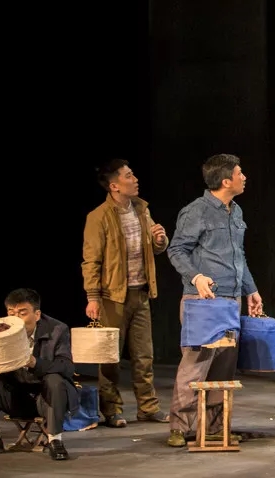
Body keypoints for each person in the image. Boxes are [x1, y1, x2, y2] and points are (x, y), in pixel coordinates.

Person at [164, 154, 263, 447]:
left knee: (224, 367)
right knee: (195, 363)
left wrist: (251, 290)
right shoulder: (196, 211)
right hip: (203, 300)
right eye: (240, 173)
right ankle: (180, 427)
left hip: (231, 299)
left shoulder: (236, 211)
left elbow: (239, 256)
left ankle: (215, 427)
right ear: (226, 181)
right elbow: (176, 250)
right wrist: (196, 277)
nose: (244, 177)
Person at [81, 158, 170, 427]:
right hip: (112, 297)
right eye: (129, 176)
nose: (135, 179)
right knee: (110, 357)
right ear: (114, 186)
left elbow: (155, 247)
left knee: (144, 356)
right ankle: (111, 410)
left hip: (140, 292)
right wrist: (92, 297)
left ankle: (148, 407)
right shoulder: (98, 217)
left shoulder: (142, 209)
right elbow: (91, 260)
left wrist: (160, 240)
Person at [0, 288, 78, 461]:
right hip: (14, 397)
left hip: (46, 399)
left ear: (37, 315)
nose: (16, 319)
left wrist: (35, 363)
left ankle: (55, 440)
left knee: (54, 379)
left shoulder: (57, 329)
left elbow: (67, 367)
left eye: (22, 313)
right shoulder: (2, 329)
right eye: (11, 313)